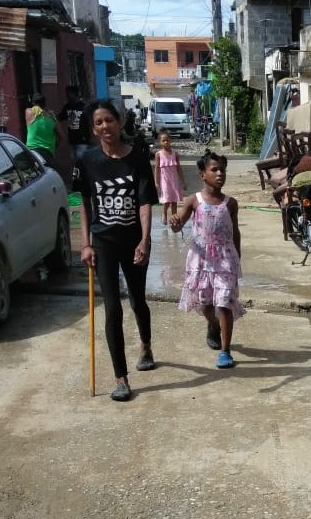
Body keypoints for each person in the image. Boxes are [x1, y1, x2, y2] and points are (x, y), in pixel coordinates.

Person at [77, 100, 159, 401]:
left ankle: (146, 345)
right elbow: (83, 202)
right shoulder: (86, 159)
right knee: (112, 308)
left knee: (138, 299)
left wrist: (145, 240)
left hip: (133, 240)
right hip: (103, 242)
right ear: (93, 127)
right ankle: (121, 378)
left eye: (109, 120)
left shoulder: (137, 158)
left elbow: (145, 202)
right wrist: (85, 243)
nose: (105, 127)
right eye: (98, 122)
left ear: (120, 122)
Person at [170, 150, 243, 369]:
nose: (220, 174)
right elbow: (179, 224)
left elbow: (235, 231)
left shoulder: (231, 203)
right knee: (206, 303)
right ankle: (213, 325)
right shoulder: (195, 200)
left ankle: (225, 350)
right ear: (202, 174)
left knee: (225, 302)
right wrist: (175, 222)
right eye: (214, 170)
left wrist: (237, 257)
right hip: (201, 260)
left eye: (223, 170)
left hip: (225, 260)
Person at [154, 128, 187, 225]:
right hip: (164, 180)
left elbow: (179, 168)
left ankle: (174, 217)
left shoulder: (175, 154)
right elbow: (157, 168)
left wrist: (183, 181)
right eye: (163, 140)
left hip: (174, 180)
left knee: (174, 201)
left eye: (167, 140)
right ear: (160, 142)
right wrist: (156, 182)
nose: (166, 142)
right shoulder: (158, 154)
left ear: (170, 141)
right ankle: (164, 213)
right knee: (167, 200)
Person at [25, 97, 57, 167]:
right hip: (47, 154)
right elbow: (62, 136)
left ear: (33, 104)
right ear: (45, 104)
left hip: (31, 152)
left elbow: (31, 110)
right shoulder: (51, 117)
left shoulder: (29, 113)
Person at [59, 85, 89, 162]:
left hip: (83, 140)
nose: (67, 96)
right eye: (66, 94)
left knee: (81, 160)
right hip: (72, 140)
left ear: (74, 94)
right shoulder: (67, 106)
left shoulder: (84, 106)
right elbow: (60, 117)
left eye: (68, 94)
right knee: (74, 159)